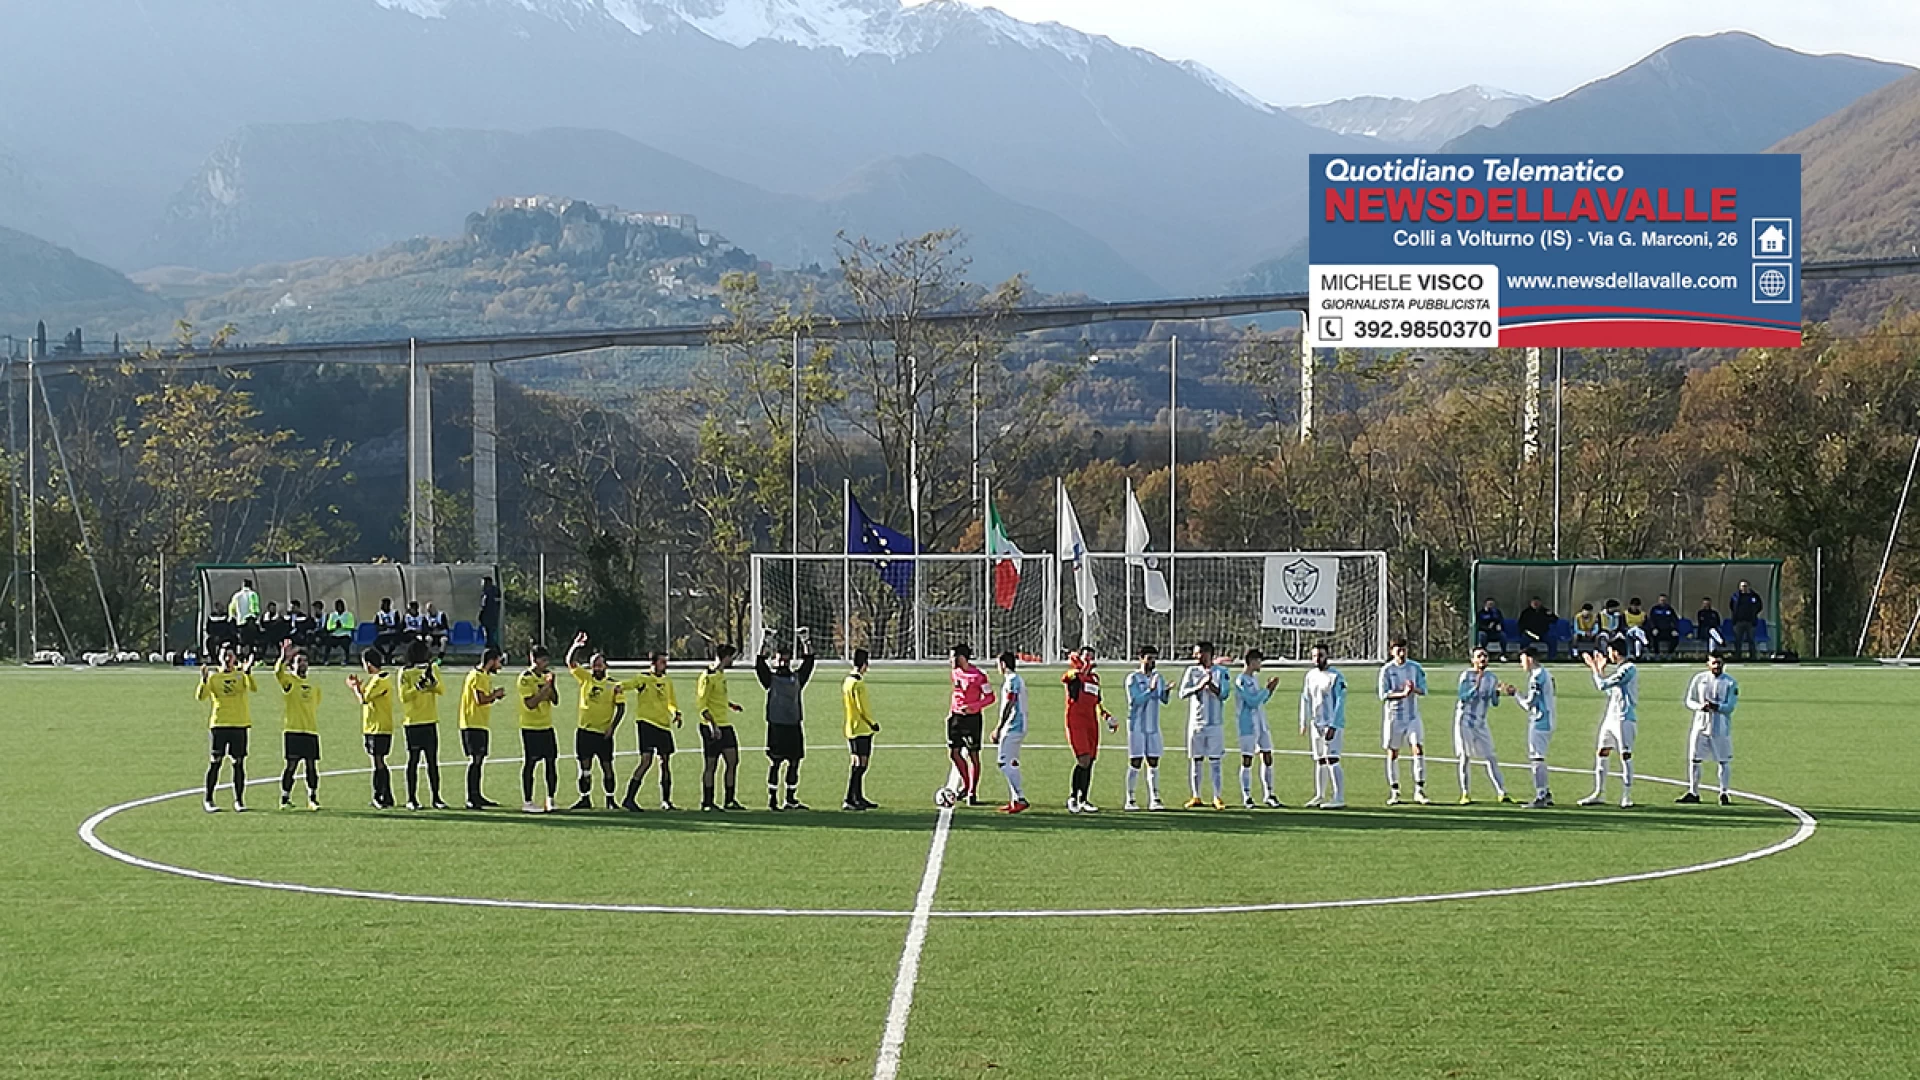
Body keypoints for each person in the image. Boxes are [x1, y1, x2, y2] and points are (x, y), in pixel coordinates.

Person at [757, 633, 816, 811]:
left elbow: (809, 662)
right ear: (774, 661)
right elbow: (759, 663)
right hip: (776, 726)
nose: (782, 663)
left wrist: (806, 641)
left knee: (794, 762)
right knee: (775, 763)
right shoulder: (771, 679)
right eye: (779, 660)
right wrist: (765, 641)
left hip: (793, 725)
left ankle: (790, 799)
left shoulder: (796, 679)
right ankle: (773, 799)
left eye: (785, 660)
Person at [566, 633, 624, 811]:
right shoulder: (586, 679)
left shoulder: (614, 684)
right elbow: (570, 662)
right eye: (594, 665)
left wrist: (612, 728)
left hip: (603, 733)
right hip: (585, 731)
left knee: (607, 766)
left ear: (605, 666)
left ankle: (610, 799)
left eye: (599, 664)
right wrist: (576, 646)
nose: (596, 667)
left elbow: (621, 708)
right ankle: (585, 798)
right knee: (585, 767)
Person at [1579, 639, 1638, 808]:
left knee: (1625, 755)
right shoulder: (1620, 670)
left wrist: (1594, 669)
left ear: (1615, 652)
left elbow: (1602, 685)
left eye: (1610, 651)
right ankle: (1599, 792)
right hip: (1611, 717)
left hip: (1624, 718)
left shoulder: (1629, 669)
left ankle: (1627, 796)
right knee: (1602, 752)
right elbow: (1609, 691)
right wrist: (1600, 670)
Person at [197, 644, 256, 813]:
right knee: (216, 762)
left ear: (235, 658)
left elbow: (253, 688)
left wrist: (248, 672)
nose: (228, 659)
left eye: (230, 656)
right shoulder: (214, 678)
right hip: (220, 724)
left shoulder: (241, 675)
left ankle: (239, 800)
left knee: (238, 763)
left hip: (240, 724)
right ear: (219, 658)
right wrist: (203, 680)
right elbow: (201, 697)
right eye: (224, 656)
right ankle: (208, 799)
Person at [620, 651, 683, 811]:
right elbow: (630, 684)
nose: (665, 665)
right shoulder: (643, 679)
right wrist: (618, 687)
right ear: (653, 663)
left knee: (665, 763)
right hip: (646, 724)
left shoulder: (667, 681)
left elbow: (671, 701)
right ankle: (629, 799)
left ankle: (666, 801)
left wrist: (676, 712)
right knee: (646, 761)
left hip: (663, 726)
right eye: (662, 662)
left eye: (666, 662)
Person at [1452, 646, 1512, 804]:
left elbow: (1494, 702)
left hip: (1481, 723)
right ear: (1473, 660)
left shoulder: (1491, 677)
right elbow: (1462, 697)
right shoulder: (1466, 675)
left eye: (1485, 656)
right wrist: (1475, 687)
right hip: (1464, 721)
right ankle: (1465, 793)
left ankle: (1502, 792)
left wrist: (1498, 693)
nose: (1483, 659)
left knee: (1491, 756)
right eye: (1479, 656)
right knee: (1465, 757)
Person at [1678, 653, 1739, 805]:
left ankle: (1724, 793)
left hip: (1720, 727)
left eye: (1719, 663)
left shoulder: (1730, 683)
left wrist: (1716, 707)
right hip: (1700, 725)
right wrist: (1700, 707)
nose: (1717, 666)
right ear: (1708, 664)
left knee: (1723, 760)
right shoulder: (1699, 679)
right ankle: (1693, 792)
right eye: (1714, 663)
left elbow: (1730, 706)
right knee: (1694, 759)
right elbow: (1689, 700)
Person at [1178, 641, 1231, 810]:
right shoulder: (1192, 671)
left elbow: (1225, 694)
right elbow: (1182, 693)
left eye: (1199, 653)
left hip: (1215, 723)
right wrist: (1198, 686)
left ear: (1208, 654)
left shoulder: (1221, 672)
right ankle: (1196, 795)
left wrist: (1212, 686)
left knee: (1215, 761)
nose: (1196, 656)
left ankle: (1217, 796)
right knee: (1196, 760)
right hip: (1196, 722)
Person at [1378, 637, 1431, 806]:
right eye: (1398, 649)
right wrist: (1402, 694)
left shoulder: (1415, 667)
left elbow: (1424, 690)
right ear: (1391, 651)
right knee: (1393, 752)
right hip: (1394, 717)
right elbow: (1383, 695)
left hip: (1412, 716)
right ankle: (1394, 791)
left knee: (1418, 748)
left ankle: (1419, 789)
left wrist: (1413, 689)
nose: (1401, 652)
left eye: (1404, 649)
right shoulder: (1387, 670)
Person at [1061, 646, 1113, 813]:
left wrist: (1106, 716)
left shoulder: (1095, 679)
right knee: (1082, 759)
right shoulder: (1073, 674)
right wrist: (1082, 666)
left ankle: (1084, 799)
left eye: (1091, 657)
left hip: (1092, 722)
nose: (1089, 660)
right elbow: (1069, 678)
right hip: (1076, 721)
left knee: (1090, 761)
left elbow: (1097, 702)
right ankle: (1072, 797)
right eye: (1086, 657)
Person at [696, 643, 747, 812]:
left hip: (725, 725)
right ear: (724, 657)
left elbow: (717, 698)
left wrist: (731, 705)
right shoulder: (707, 676)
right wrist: (713, 725)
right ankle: (707, 802)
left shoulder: (721, 675)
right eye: (731, 657)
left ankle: (730, 800)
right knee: (711, 765)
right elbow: (702, 705)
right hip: (711, 727)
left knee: (733, 761)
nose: (732, 660)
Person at [397, 639, 447, 810]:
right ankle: (411, 798)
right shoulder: (405, 673)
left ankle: (436, 797)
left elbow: (441, 690)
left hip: (430, 721)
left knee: (432, 762)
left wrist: (432, 684)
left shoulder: (432, 669)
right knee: (413, 761)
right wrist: (418, 687)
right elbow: (404, 697)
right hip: (412, 722)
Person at [273, 640, 322, 811]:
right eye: (298, 661)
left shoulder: (314, 686)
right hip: (293, 730)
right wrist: (282, 657)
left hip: (310, 730)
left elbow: (315, 704)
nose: (303, 664)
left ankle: (313, 797)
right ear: (292, 665)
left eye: (305, 661)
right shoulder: (289, 682)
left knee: (311, 766)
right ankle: (285, 797)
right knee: (291, 766)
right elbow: (278, 674)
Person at [1232, 650, 1283, 809]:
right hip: (1247, 725)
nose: (1261, 664)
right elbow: (1252, 701)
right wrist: (1267, 689)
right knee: (1247, 759)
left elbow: (1260, 701)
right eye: (1259, 661)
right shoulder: (1241, 681)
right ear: (1252, 661)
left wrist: (1270, 691)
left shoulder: (1254, 679)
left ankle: (1269, 794)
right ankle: (1246, 795)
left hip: (1261, 723)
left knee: (1267, 756)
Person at [459, 646, 508, 809]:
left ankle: (477, 795)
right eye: (498, 661)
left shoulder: (484, 676)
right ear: (491, 661)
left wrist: (493, 696)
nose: (500, 665)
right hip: (472, 723)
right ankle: (471, 797)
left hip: (480, 722)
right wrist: (496, 695)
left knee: (479, 759)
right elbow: (480, 699)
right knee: (476, 759)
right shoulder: (477, 676)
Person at [347, 649, 396, 809]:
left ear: (368, 664)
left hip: (379, 727)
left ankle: (379, 795)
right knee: (379, 761)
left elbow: (364, 699)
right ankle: (387, 795)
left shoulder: (379, 681)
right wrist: (360, 686)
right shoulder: (377, 680)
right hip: (373, 726)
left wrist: (354, 688)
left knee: (378, 761)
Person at [1299, 644, 1347, 809]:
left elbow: (1340, 702)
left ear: (1327, 656)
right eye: (1314, 656)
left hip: (1331, 724)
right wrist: (1303, 721)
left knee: (1332, 759)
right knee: (1319, 760)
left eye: (1320, 655)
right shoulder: (1310, 676)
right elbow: (1305, 698)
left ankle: (1339, 797)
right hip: (1316, 724)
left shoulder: (1335, 677)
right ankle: (1319, 795)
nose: (1317, 659)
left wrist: (1334, 725)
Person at [947, 643, 995, 806]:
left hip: (972, 719)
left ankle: (972, 792)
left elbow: (990, 697)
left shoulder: (978, 676)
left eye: (952, 656)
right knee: (954, 753)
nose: (949, 660)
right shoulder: (954, 673)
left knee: (973, 755)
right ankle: (966, 786)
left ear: (961, 658)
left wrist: (973, 707)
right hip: (955, 717)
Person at [1122, 647, 1169, 812]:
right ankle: (1130, 798)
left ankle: (1155, 798)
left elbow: (1163, 699)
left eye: (1154, 658)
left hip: (1153, 726)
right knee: (1136, 762)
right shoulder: (1133, 678)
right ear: (1141, 658)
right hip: (1137, 726)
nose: (1152, 662)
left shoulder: (1158, 677)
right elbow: (1135, 701)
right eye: (1149, 658)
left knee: (1154, 761)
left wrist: (1166, 692)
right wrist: (1150, 690)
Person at [516, 644, 561, 813]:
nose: (545, 664)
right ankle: (527, 801)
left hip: (547, 726)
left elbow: (555, 700)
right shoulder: (525, 678)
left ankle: (550, 799)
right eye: (543, 660)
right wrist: (545, 689)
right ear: (534, 660)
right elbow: (531, 704)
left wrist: (552, 686)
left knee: (551, 762)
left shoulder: (546, 676)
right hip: (530, 727)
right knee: (531, 763)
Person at [1512, 646, 1557, 807]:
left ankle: (1541, 794)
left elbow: (1529, 704)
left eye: (1522, 659)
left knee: (1537, 757)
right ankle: (1546, 792)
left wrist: (1515, 694)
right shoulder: (1546, 674)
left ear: (1530, 659)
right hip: (1549, 719)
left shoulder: (1536, 678)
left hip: (1540, 721)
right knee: (1538, 756)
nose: (1521, 664)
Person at [991, 652, 1030, 813]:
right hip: (1017, 725)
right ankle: (1015, 799)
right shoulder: (1014, 680)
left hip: (1014, 726)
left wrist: (998, 727)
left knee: (1004, 762)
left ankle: (1020, 798)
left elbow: (1010, 703)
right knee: (1011, 761)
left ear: (1003, 664)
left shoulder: (1013, 680)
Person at [842, 648, 878, 811]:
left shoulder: (847, 681)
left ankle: (858, 797)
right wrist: (872, 723)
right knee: (861, 764)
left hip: (851, 727)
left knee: (857, 763)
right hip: (862, 728)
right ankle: (850, 798)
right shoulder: (858, 684)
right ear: (864, 664)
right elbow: (862, 707)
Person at [1728, 581, 1764, 661]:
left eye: (1745, 586)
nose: (1744, 587)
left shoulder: (1754, 596)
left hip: (1750, 622)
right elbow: (1731, 606)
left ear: (1748, 587)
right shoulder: (1735, 596)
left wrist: (1753, 613)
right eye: (1742, 586)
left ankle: (1752, 656)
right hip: (1738, 622)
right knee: (1738, 640)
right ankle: (1737, 656)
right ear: (1739, 587)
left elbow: (1759, 606)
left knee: (1751, 640)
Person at [228, 579, 262, 655]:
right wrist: (256, 615)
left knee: (241, 641)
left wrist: (233, 617)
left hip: (240, 621)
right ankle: (251, 656)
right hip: (250, 621)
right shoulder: (253, 594)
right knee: (251, 641)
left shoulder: (236, 595)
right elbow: (255, 607)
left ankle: (240, 656)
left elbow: (231, 609)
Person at [324, 599, 357, 665]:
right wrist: (335, 626)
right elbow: (328, 627)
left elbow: (352, 625)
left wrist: (342, 625)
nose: (339, 608)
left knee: (345, 643)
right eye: (338, 606)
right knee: (328, 642)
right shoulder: (332, 615)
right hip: (335, 635)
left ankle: (346, 660)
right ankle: (326, 660)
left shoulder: (349, 615)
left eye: (341, 606)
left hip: (345, 635)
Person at [372, 598, 403, 662]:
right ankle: (385, 655)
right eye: (384, 604)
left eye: (387, 604)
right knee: (376, 643)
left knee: (394, 642)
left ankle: (388, 654)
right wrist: (383, 627)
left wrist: (391, 627)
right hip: (383, 634)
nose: (385, 606)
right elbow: (376, 626)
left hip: (393, 634)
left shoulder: (395, 613)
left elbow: (398, 625)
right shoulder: (378, 614)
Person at [479, 576, 503, 650]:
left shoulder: (487, 594)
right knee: (491, 637)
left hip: (488, 619)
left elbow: (484, 606)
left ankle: (496, 653)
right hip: (493, 619)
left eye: (483, 583)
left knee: (490, 638)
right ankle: (495, 653)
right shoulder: (496, 591)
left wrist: (481, 616)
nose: (482, 585)